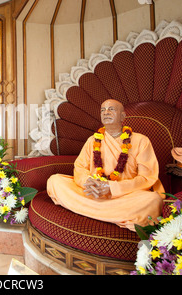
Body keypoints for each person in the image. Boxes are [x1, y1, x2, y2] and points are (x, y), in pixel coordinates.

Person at [47, 99, 165, 231]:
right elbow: (80, 168)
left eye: (111, 109)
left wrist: (112, 188)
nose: (106, 112)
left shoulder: (141, 140)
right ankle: (111, 214)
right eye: (102, 110)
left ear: (123, 116)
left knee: (153, 201)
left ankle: (89, 209)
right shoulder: (92, 140)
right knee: (55, 181)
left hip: (125, 196)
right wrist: (89, 182)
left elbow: (146, 178)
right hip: (93, 193)